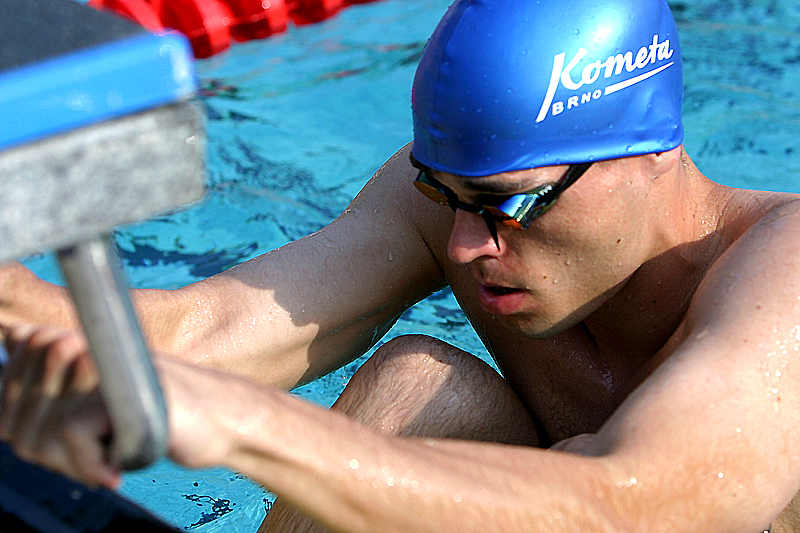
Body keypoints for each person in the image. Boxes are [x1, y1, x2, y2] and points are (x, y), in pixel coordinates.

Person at [2, 0, 800, 531]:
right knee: (420, 389)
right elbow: (201, 337)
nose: (463, 245)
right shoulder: (465, 209)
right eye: (443, 195)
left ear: (650, 149)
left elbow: (635, 506)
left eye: (511, 204)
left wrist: (250, 425)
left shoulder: (784, 268)